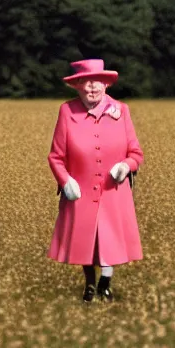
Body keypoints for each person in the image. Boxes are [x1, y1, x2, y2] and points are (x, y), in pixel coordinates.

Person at [46, 59, 145, 302]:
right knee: (85, 241)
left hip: (113, 191)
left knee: (109, 240)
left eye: (97, 82)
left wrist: (125, 166)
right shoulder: (67, 111)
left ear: (106, 85)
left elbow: (136, 154)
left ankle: (105, 284)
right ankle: (89, 284)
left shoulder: (121, 111)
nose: (92, 87)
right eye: (86, 82)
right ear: (77, 85)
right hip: (80, 191)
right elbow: (56, 156)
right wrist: (65, 180)